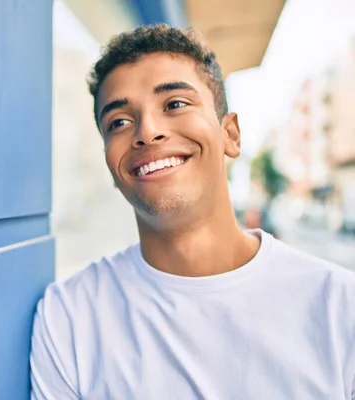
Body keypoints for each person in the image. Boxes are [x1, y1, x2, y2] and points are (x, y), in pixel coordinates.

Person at [30, 24, 355, 399]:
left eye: (175, 104)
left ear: (230, 135)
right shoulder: (69, 317)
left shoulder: (340, 308)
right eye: (118, 122)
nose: (147, 132)